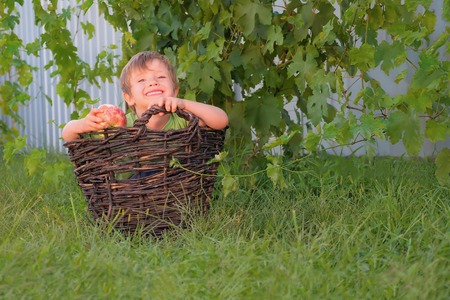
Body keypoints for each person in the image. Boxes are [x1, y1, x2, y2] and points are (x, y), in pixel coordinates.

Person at [61, 51, 228, 142]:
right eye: (141, 79)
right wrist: (82, 124)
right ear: (129, 98)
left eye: (161, 77)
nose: (153, 82)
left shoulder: (183, 121)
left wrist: (183, 104)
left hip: (177, 184)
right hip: (135, 190)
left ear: (175, 91)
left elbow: (221, 121)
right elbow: (68, 136)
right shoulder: (123, 125)